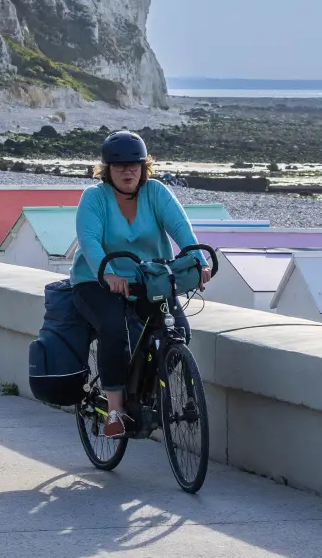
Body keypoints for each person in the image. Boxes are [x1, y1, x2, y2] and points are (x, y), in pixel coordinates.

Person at [71, 130, 211, 438]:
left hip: (150, 281)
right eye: (119, 165)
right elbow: (90, 240)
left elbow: (180, 227)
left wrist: (198, 259)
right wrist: (106, 273)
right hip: (97, 282)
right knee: (113, 328)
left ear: (144, 166)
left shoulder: (156, 192)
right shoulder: (94, 198)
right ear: (107, 169)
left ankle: (144, 387)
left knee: (179, 331)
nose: (127, 170)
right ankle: (116, 410)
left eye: (134, 164)